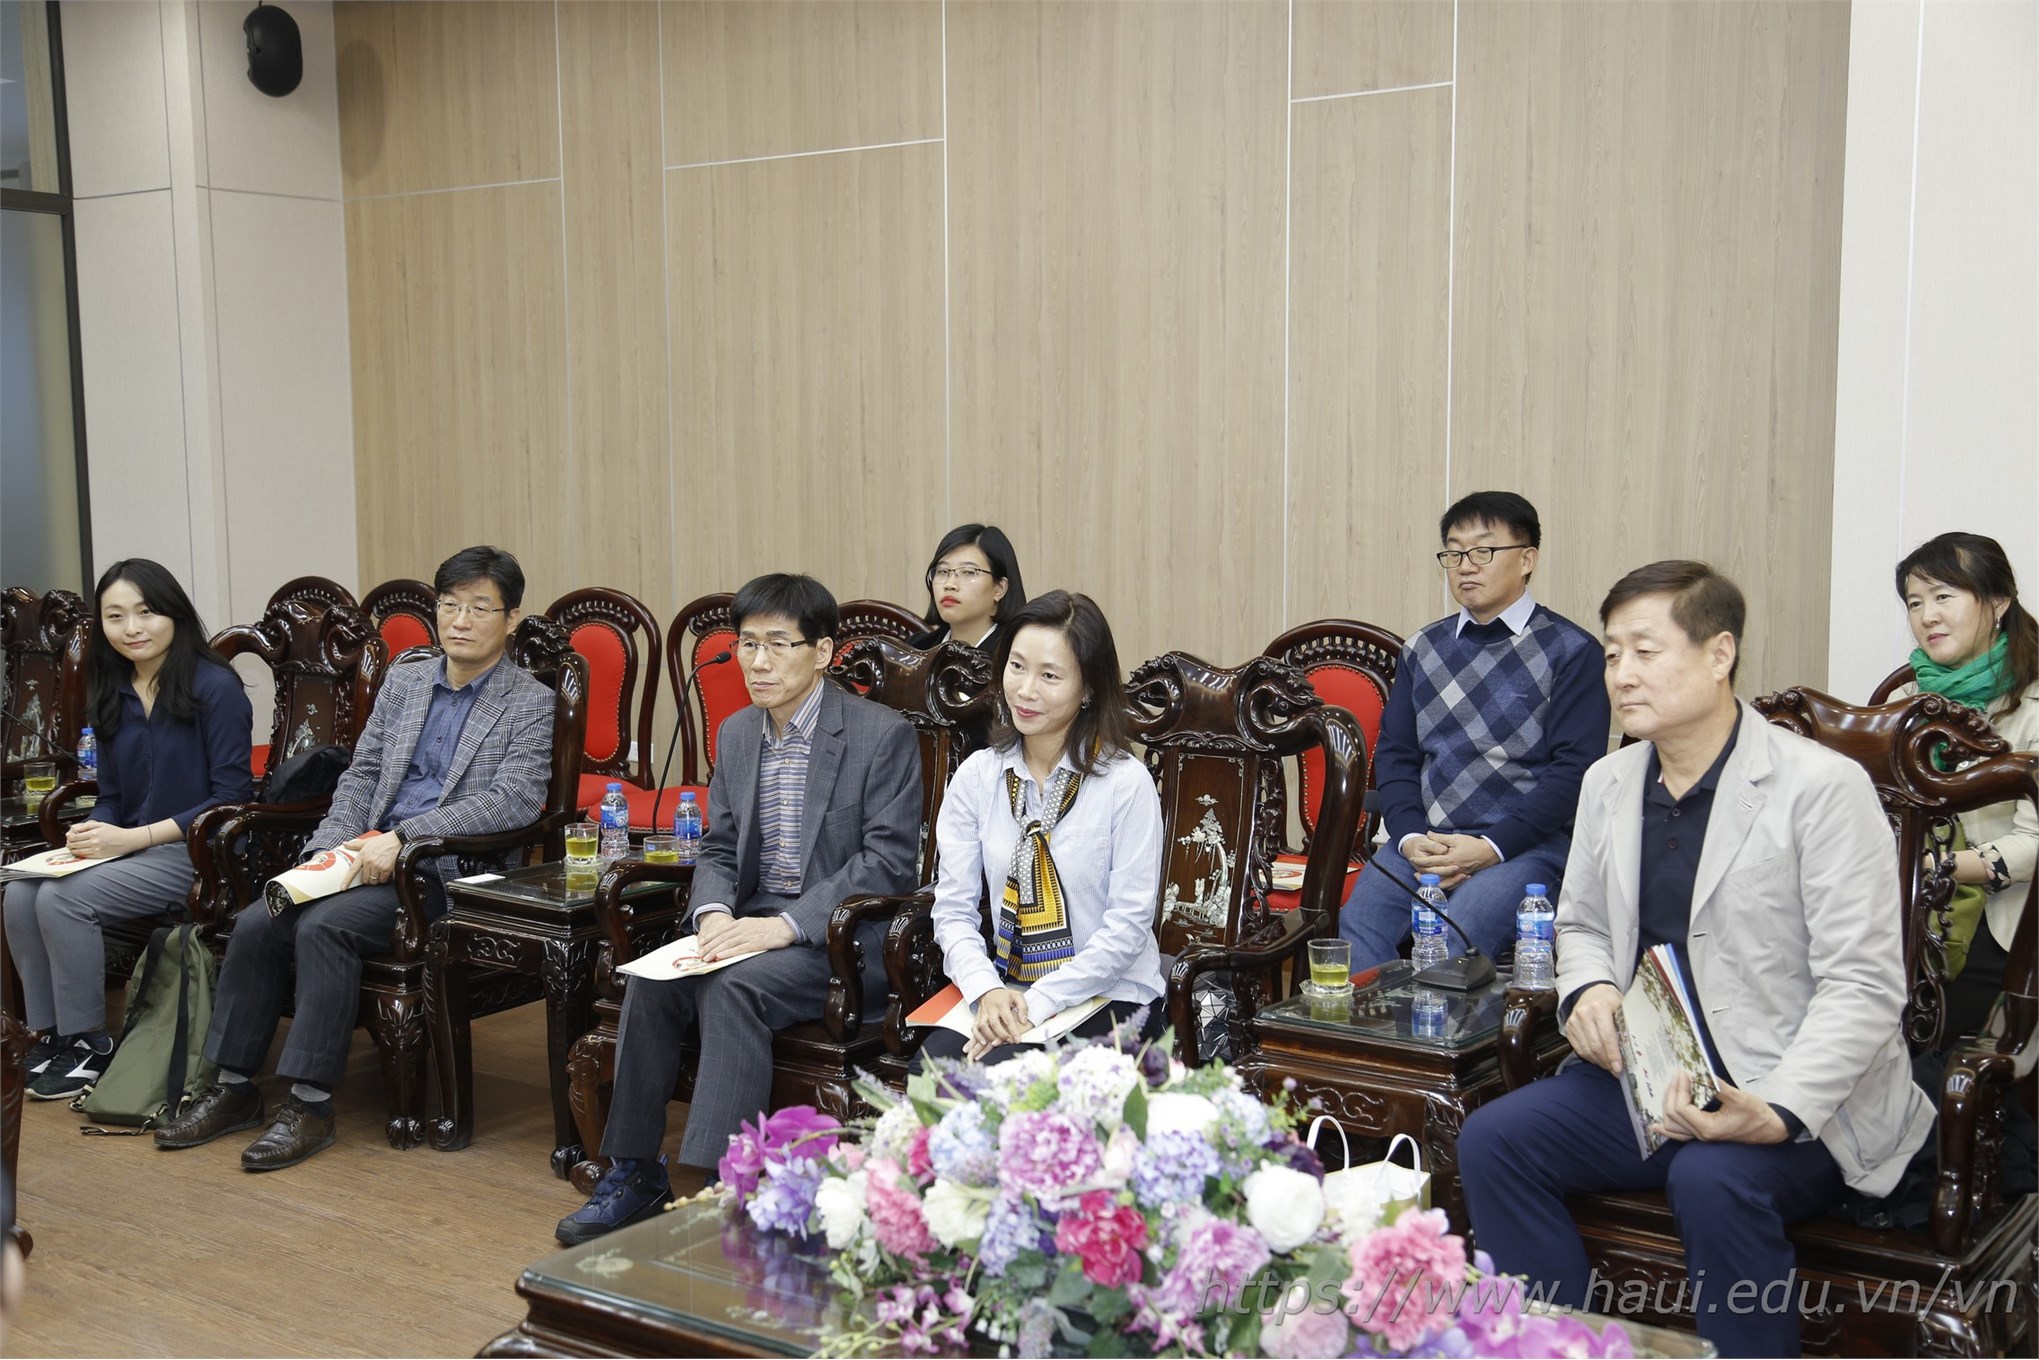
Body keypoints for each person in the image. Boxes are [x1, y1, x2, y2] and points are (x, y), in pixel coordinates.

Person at [1458, 561, 1933, 1358]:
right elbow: (1576, 924)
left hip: (1794, 1090)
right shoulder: (1609, 782)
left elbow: (1861, 984)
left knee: (1711, 1180)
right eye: (1611, 654)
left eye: (1645, 651)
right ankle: (1552, 1347)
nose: (1621, 675)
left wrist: (1775, 1108)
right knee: (1493, 1139)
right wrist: (1589, 991)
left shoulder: (1818, 787)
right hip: (1646, 1079)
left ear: (1719, 655)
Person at [153, 546, 553, 1170]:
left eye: (479, 608)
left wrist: (408, 839)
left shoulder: (529, 701)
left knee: (325, 926)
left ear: (510, 617)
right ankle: (233, 1089)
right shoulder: (408, 677)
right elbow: (362, 772)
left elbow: (515, 801)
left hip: (443, 870)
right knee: (259, 920)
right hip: (360, 856)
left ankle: (309, 1105)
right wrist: (326, 852)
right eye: (449, 605)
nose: (460, 620)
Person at [556, 574, 920, 1245]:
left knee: (733, 988)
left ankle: (723, 1187)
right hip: (746, 923)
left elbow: (886, 863)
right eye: (747, 644)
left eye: (778, 645)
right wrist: (714, 915)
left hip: (838, 940)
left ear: (821, 652)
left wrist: (783, 926)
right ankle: (633, 1172)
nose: (758, 661)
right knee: (653, 982)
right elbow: (718, 849)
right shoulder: (738, 733)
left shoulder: (880, 735)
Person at [7, 560, 253, 1100]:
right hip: (132, 850)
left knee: (62, 901)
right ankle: (50, 1036)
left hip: (200, 854)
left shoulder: (215, 686)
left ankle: (89, 1042)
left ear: (174, 613)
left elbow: (232, 798)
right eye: (116, 616)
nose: (132, 628)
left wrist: (130, 839)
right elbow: (114, 797)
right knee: (21, 893)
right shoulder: (112, 687)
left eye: (146, 612)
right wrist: (93, 831)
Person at [1338, 491, 1609, 968]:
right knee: (1359, 924)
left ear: (1527, 559)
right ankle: (1377, 1041)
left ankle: (1432, 1040)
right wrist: (1408, 838)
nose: (1466, 565)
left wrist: (1490, 846)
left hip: (1523, 848)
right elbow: (1397, 755)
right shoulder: (1423, 648)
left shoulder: (1571, 651)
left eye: (1483, 551)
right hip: (1429, 842)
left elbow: (1573, 774)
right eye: (1454, 552)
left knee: (1453, 936)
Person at [916, 591, 1164, 1069]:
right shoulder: (978, 777)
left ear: (1088, 688)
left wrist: (1038, 1002)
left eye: (1050, 676)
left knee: (1014, 1086)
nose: (1026, 690)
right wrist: (987, 990)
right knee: (935, 1082)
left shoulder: (1124, 784)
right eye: (1017, 666)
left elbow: (1128, 927)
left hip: (1109, 993)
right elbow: (952, 910)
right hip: (1004, 990)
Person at [1890, 532, 2038, 1039]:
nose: (1926, 616)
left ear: (1998, 602)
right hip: (1914, 912)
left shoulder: (2034, 704)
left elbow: (2034, 845)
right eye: (1914, 601)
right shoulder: (1907, 700)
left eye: (1943, 596)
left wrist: (1929, 865)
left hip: (2009, 922)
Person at [910, 523, 1026, 650]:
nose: (950, 584)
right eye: (943, 571)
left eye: (969, 572)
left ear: (1000, 588)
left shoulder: (1014, 658)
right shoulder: (917, 648)